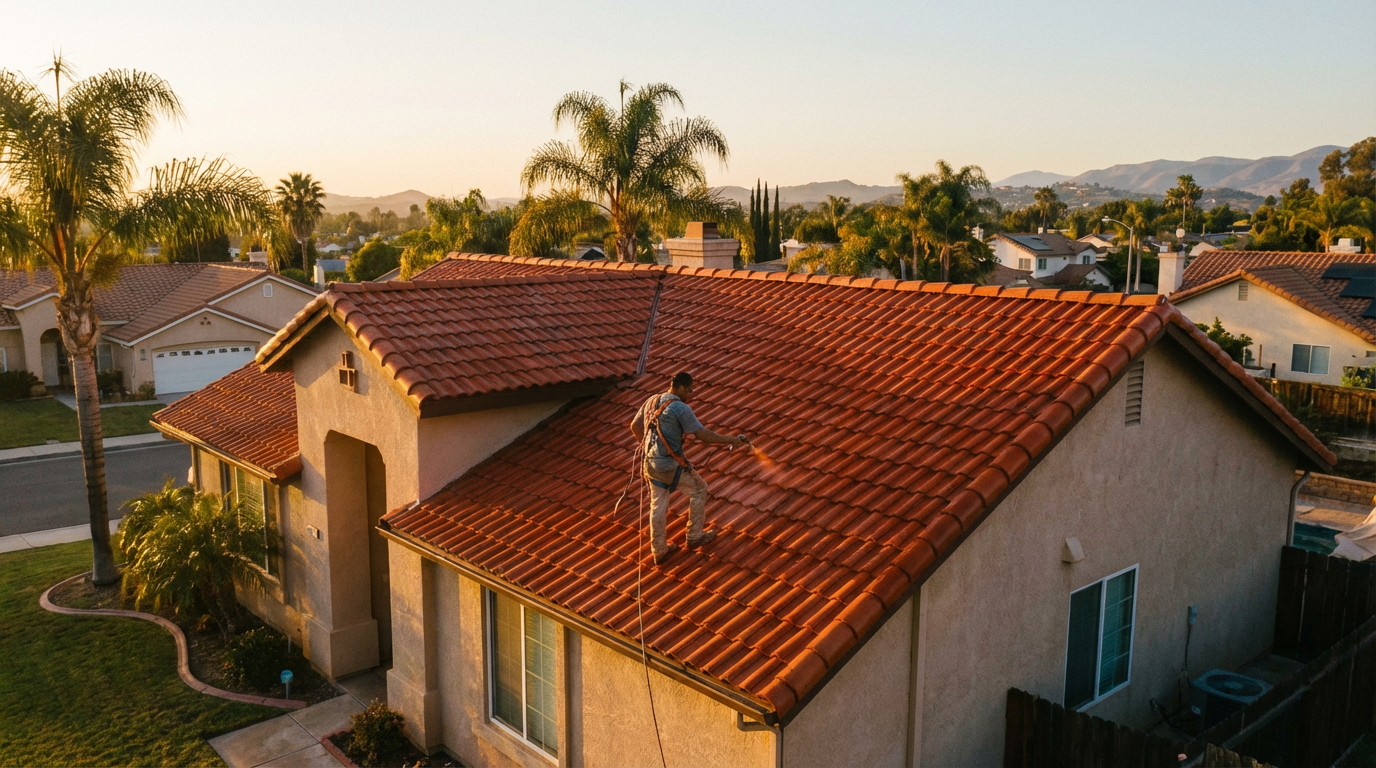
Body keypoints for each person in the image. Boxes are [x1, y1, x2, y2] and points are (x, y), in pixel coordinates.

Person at [630, 372, 749, 565]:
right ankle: (694, 535)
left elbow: (635, 426)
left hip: (650, 462)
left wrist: (647, 448)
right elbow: (702, 435)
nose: (691, 394)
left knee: (657, 505)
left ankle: (659, 550)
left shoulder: (652, 401)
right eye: (689, 390)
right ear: (679, 388)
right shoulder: (680, 408)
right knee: (699, 489)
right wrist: (732, 440)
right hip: (669, 463)